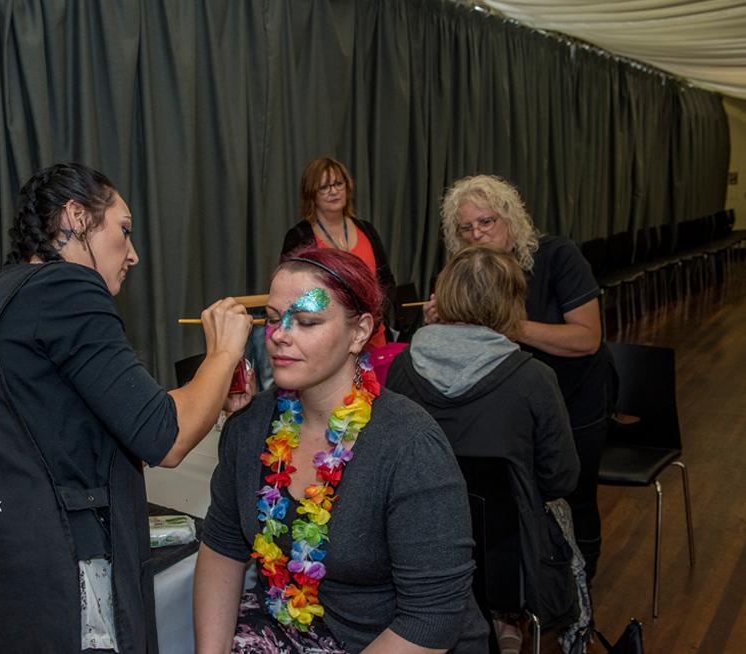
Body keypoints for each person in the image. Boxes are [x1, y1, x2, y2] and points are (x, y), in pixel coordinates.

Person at [0, 162, 252, 653]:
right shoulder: (64, 288)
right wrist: (224, 352)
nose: (133, 255)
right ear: (76, 217)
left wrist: (208, 391)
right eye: (123, 232)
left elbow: (127, 413)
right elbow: (164, 437)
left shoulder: (3, 300)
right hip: (56, 570)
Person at [194, 246, 488, 654]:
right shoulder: (249, 427)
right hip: (283, 627)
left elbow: (432, 618)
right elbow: (222, 547)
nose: (280, 335)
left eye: (307, 321)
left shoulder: (410, 446)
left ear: (360, 332)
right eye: (275, 319)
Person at [386, 245, 582, 652]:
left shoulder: (402, 370)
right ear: (512, 304)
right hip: (508, 566)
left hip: (415, 559)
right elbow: (561, 477)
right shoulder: (534, 379)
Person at [426, 175, 612, 581]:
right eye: (466, 227)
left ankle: (579, 588)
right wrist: (444, 325)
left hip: (574, 399)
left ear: (510, 220)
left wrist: (509, 325)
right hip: (507, 409)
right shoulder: (466, 272)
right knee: (507, 503)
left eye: (487, 221)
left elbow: (588, 339)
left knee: (575, 498)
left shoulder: (558, 256)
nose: (477, 233)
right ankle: (520, 595)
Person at [281, 156, 396, 347]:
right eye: (324, 187)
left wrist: (374, 316)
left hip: (372, 335)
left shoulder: (367, 229)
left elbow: (387, 282)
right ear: (312, 194)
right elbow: (292, 291)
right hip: (326, 342)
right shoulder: (299, 237)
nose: (333, 191)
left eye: (338, 184)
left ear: (347, 187)